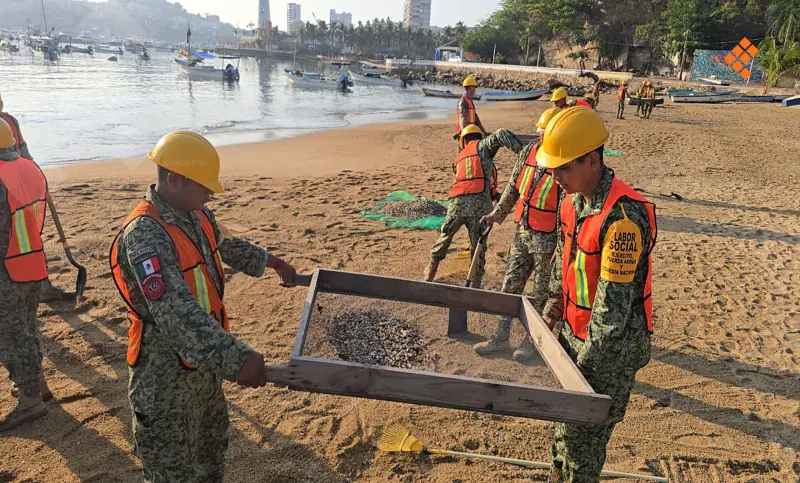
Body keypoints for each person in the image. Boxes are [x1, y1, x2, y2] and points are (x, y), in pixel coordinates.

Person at [109, 130, 299, 481]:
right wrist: (237, 358)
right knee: (172, 471)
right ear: (175, 180)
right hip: (164, 379)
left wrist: (273, 262)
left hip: (203, 369)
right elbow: (176, 312)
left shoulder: (197, 216)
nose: (212, 192)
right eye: (205, 185)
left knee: (210, 457)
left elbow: (227, 245)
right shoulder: (145, 235)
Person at [537, 107, 657, 482]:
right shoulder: (574, 202)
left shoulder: (622, 220)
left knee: (582, 446)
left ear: (592, 160)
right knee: (563, 431)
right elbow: (567, 268)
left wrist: (579, 378)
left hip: (607, 355)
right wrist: (552, 312)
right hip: (574, 337)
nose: (555, 178)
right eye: (552, 169)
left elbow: (610, 319)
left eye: (564, 168)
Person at [473, 107, 563, 361]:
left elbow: (568, 207)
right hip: (523, 233)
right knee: (509, 286)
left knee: (540, 294)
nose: (541, 137)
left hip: (548, 241)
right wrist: (496, 214)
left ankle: (531, 343)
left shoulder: (564, 160)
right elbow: (514, 186)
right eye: (540, 132)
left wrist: (562, 245)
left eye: (546, 133)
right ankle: (500, 338)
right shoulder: (530, 151)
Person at [0, 118, 51, 432]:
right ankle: (39, 385)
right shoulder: (28, 168)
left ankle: (30, 400)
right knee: (27, 327)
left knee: (11, 334)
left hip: (7, 269)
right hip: (33, 262)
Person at [425, 125, 523, 288]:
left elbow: (465, 181)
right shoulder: (484, 146)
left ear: (463, 141)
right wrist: (522, 152)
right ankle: (476, 285)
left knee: (445, 237)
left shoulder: (457, 160)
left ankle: (430, 273)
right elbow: (501, 134)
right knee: (478, 245)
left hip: (457, 205)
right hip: (480, 206)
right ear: (479, 136)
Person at [0, 92, 33, 160]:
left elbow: (22, 144)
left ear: (1, 105)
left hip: (14, 164)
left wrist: (30, 162)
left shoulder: (11, 121)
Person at [455, 77, 485, 150]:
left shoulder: (470, 101)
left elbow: (475, 117)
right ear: (468, 88)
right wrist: (465, 134)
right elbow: (462, 119)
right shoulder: (463, 102)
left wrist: (482, 131)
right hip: (465, 134)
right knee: (462, 156)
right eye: (473, 87)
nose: (474, 90)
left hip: (472, 132)